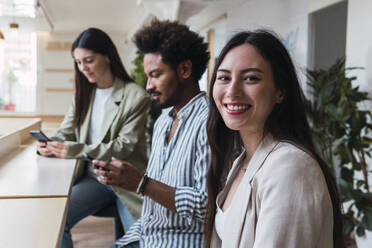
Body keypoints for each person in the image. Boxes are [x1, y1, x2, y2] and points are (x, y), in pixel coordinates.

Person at [204, 30, 345, 248]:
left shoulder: (290, 166)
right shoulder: (241, 161)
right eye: (224, 77)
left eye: (251, 78)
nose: (232, 90)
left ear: (280, 91)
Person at [92, 19, 211, 248]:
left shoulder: (209, 123)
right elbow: (153, 208)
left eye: (155, 75)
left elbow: (206, 206)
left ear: (185, 70)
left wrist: (141, 183)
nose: (148, 86)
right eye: (148, 76)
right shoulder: (163, 121)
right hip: (148, 235)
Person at [36, 27, 150, 248]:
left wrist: (74, 149)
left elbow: (123, 147)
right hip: (93, 179)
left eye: (88, 60)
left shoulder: (135, 96)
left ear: (107, 56)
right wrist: (48, 144)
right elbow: (66, 131)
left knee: (138, 240)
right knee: (56, 221)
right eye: (78, 62)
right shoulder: (83, 94)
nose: (83, 68)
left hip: (126, 180)